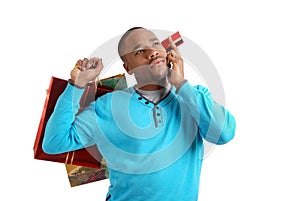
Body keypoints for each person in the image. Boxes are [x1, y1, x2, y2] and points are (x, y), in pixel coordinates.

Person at [42, 27, 236, 201]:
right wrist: (77, 85)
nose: (152, 53)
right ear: (128, 68)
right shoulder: (108, 106)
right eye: (140, 51)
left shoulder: (195, 96)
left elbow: (223, 134)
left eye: (155, 44)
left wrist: (181, 84)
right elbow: (54, 142)